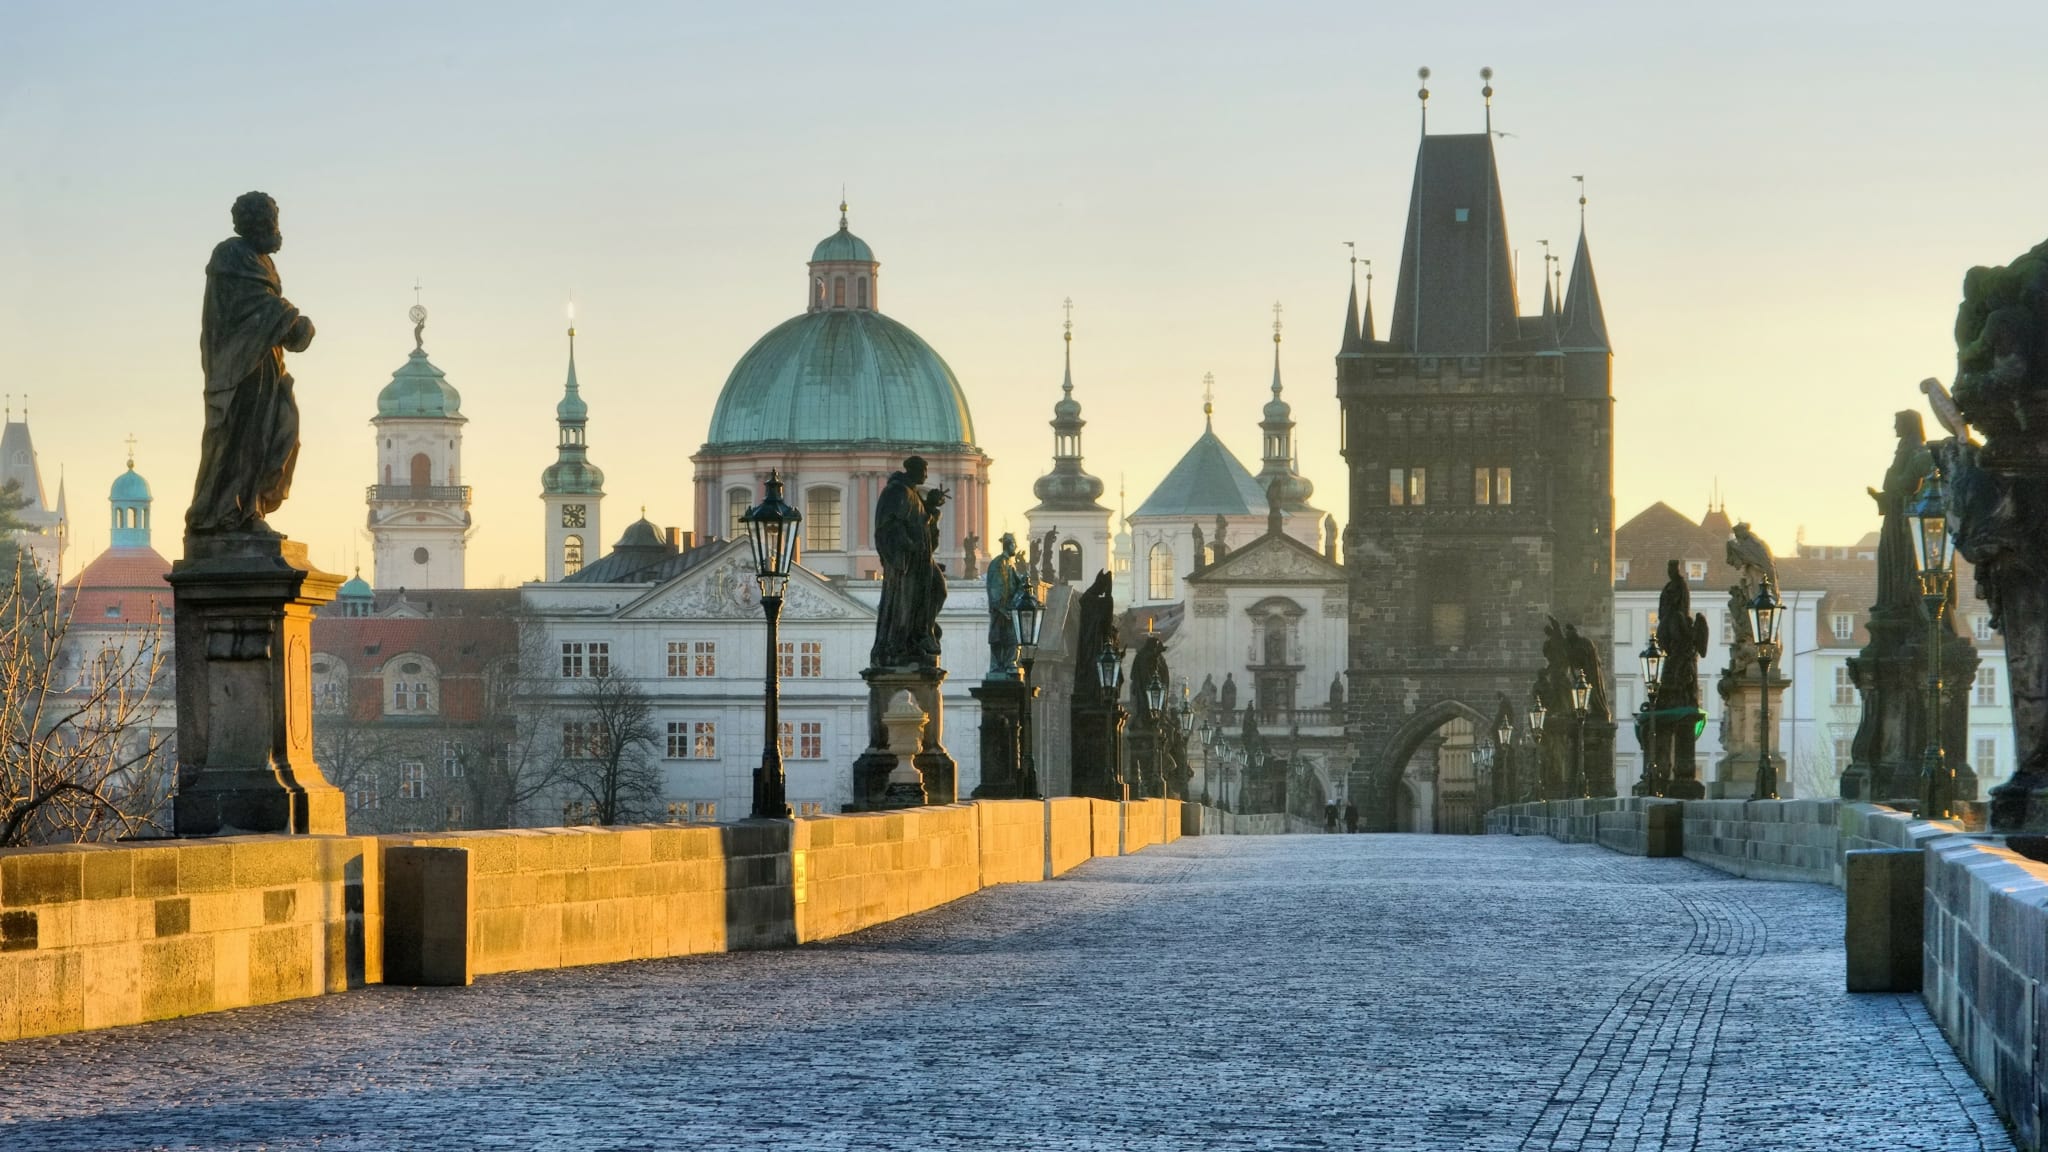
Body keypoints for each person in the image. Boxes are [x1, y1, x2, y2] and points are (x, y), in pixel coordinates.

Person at [188, 191, 315, 537]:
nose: (273, 227)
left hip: (267, 365)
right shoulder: (230, 254)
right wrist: (291, 319)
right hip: (240, 368)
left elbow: (266, 308)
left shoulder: (262, 260)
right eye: (267, 220)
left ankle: (253, 505)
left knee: (283, 432)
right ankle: (231, 514)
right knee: (244, 440)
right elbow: (249, 306)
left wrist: (288, 323)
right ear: (251, 223)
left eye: (274, 219)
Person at [869, 456, 948, 669]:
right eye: (924, 470)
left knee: (937, 590)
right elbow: (888, 526)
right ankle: (905, 642)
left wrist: (931, 507)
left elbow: (922, 527)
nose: (926, 475)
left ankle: (922, 633)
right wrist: (908, 545)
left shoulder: (912, 495)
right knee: (908, 602)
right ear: (912, 470)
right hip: (906, 561)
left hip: (921, 559)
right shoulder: (897, 492)